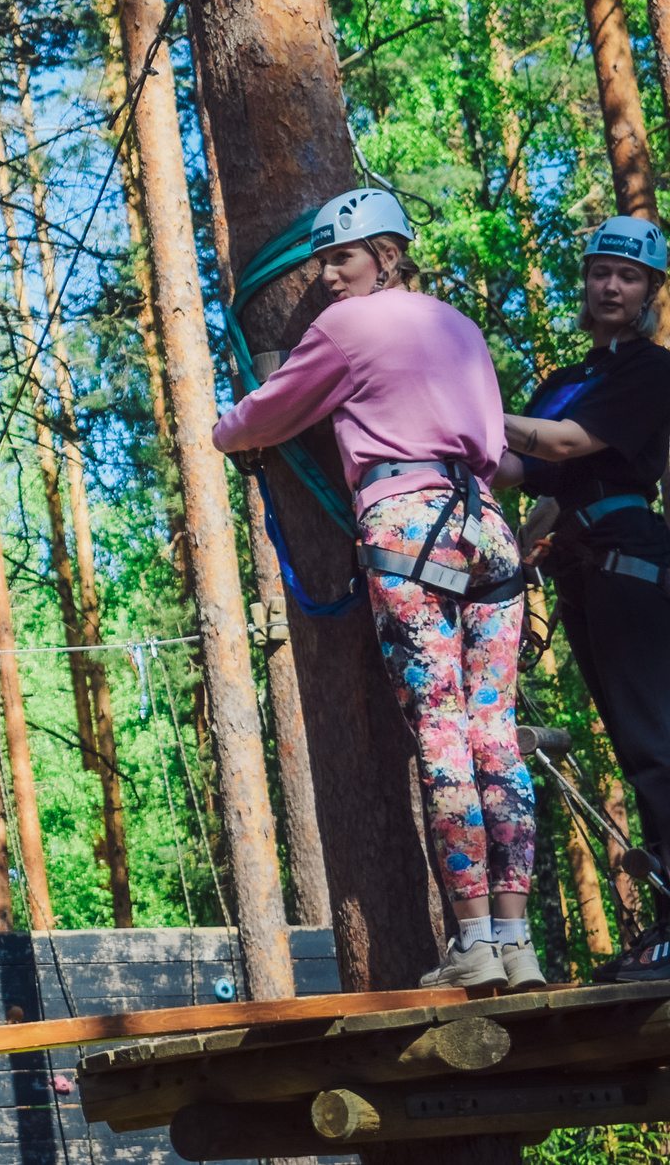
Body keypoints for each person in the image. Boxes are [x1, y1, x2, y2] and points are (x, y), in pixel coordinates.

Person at [213, 188, 537, 989]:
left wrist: (227, 430)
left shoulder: (347, 328)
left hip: (405, 524)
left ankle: (472, 946)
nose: (326, 275)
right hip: (487, 529)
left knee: (443, 736)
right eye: (322, 259)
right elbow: (493, 446)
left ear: (387, 254)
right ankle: (516, 942)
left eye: (342, 257)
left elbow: (269, 412)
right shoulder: (460, 328)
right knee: (496, 734)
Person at [499, 214, 670, 981]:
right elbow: (531, 479)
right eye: (601, 270)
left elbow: (563, 446)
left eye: (627, 276)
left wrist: (457, 413)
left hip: (631, 565)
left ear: (648, 293)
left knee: (658, 745)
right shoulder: (563, 380)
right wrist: (513, 560)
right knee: (638, 752)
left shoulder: (650, 371)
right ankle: (664, 925)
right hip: (583, 572)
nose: (610, 285)